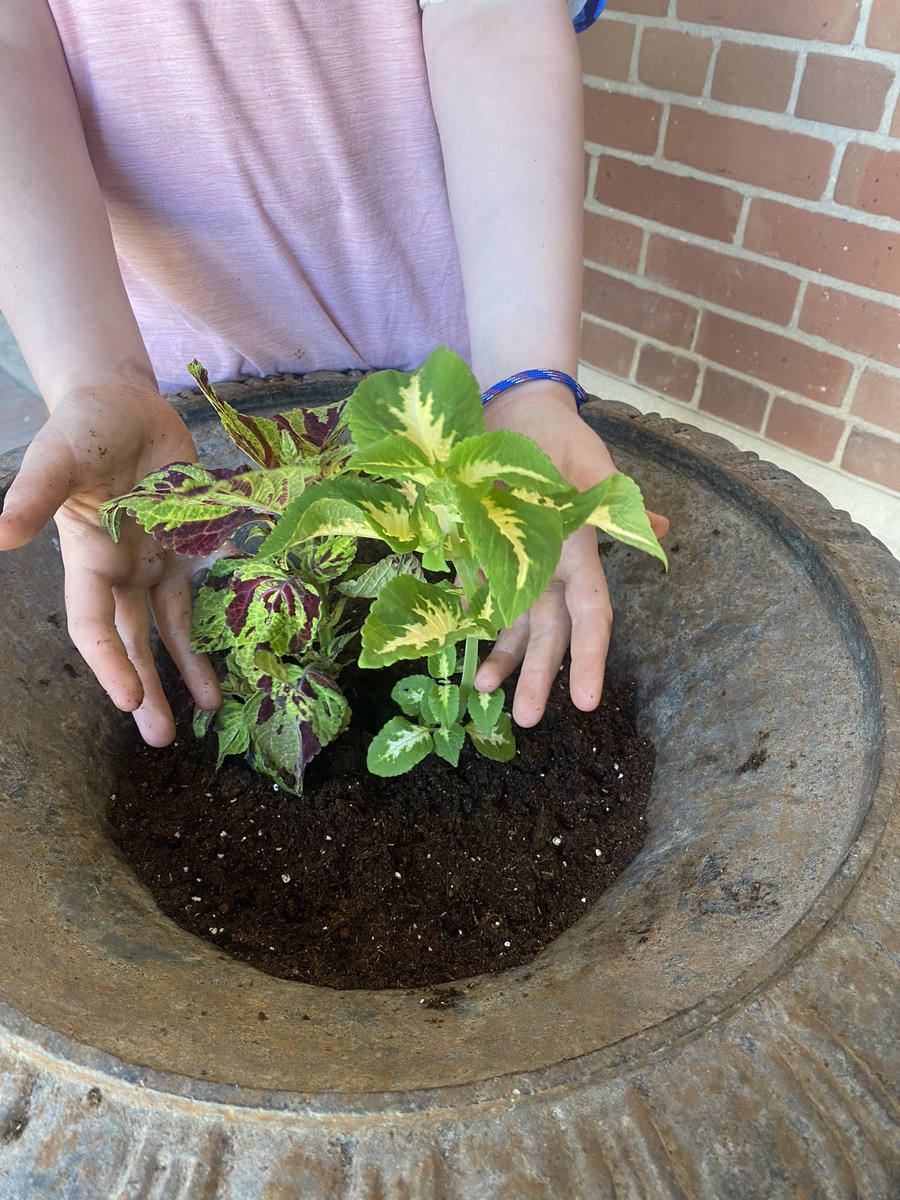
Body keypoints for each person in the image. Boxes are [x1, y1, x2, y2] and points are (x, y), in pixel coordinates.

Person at [0, 0, 664, 749]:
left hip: (441, 384)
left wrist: (527, 377)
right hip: (174, 391)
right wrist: (95, 376)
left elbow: (495, 15)